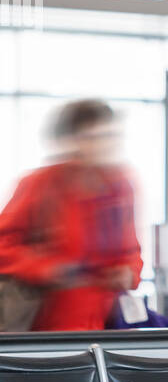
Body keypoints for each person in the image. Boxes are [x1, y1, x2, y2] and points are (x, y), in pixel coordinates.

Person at [0, 99, 142, 331]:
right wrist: (45, 269)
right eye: (94, 137)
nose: (105, 144)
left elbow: (131, 249)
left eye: (110, 135)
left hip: (105, 323)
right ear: (72, 140)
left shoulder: (120, 186)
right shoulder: (40, 185)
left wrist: (129, 272)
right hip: (44, 324)